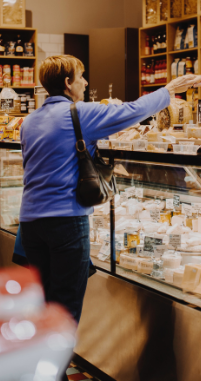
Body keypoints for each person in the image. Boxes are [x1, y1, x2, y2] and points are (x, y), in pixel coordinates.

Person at [20, 55, 191, 324]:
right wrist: (168, 92)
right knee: (65, 307)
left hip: (30, 224)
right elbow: (131, 111)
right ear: (68, 82)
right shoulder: (79, 113)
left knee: (44, 303)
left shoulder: (29, 122)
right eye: (81, 76)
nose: (86, 83)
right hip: (66, 222)